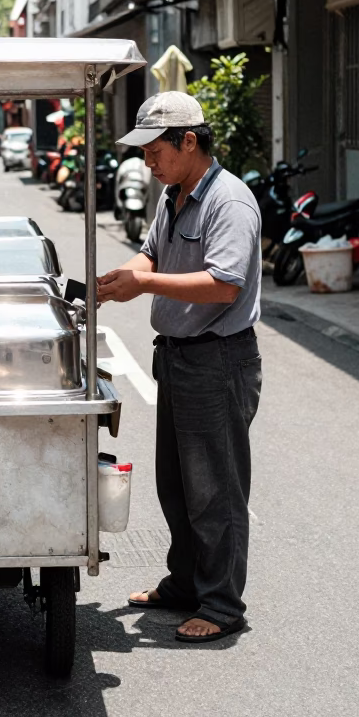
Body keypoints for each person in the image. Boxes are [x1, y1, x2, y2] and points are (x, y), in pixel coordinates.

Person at [98, 92, 262, 644]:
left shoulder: (228, 202)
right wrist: (125, 275)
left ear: (188, 141)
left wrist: (144, 284)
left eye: (154, 150)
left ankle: (221, 606)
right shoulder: (172, 196)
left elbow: (224, 283)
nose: (148, 161)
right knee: (177, 483)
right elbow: (149, 253)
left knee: (215, 487)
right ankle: (186, 583)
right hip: (177, 356)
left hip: (217, 359)